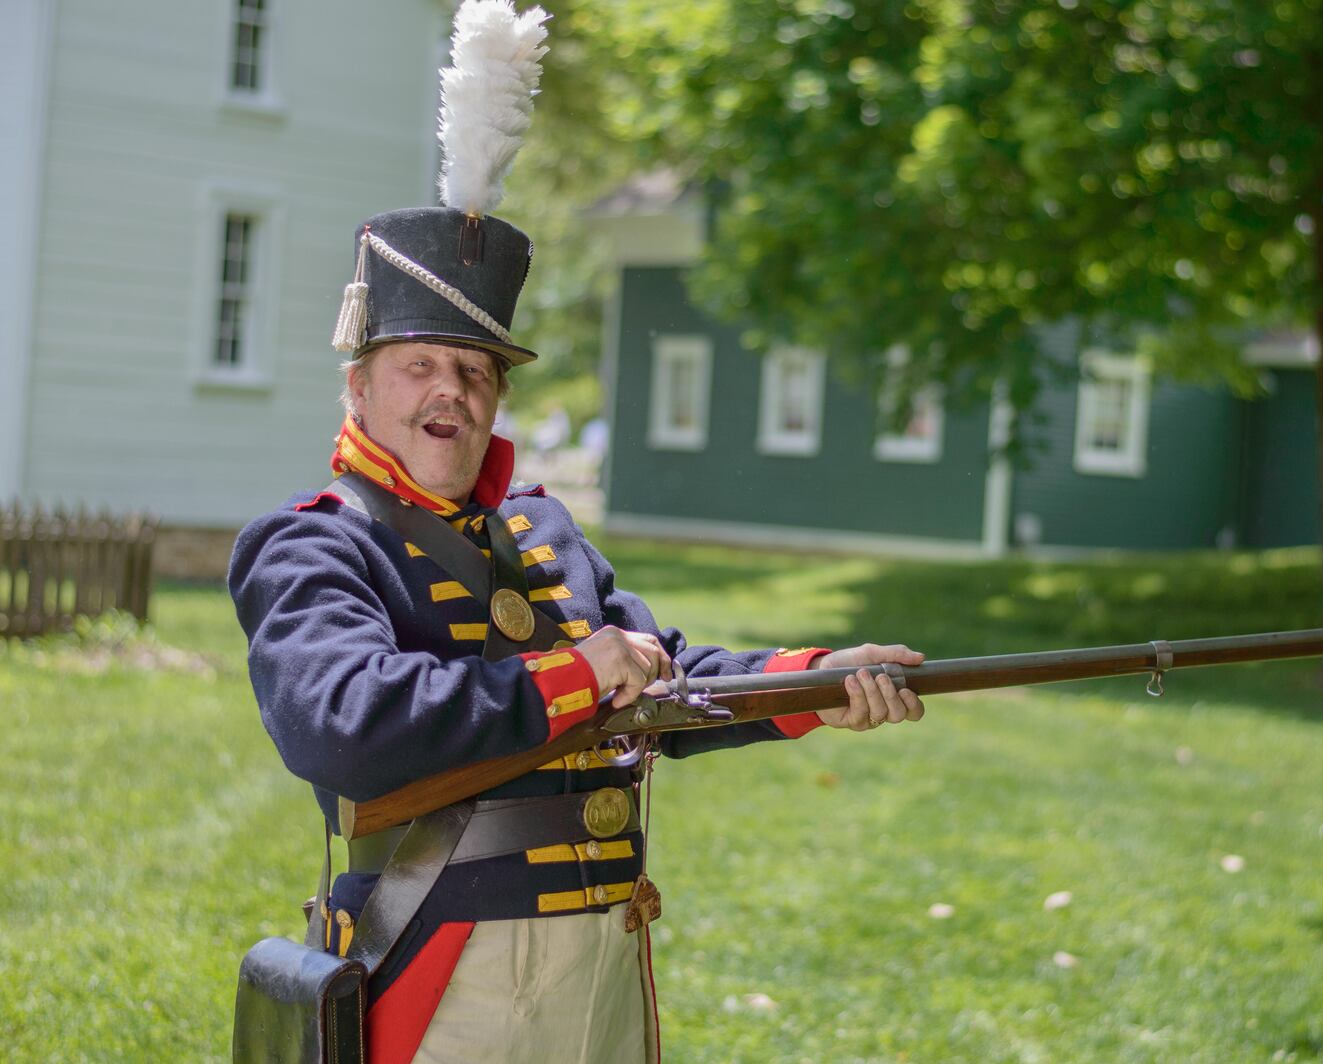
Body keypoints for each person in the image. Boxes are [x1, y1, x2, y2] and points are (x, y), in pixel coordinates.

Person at [228, 12, 923, 1060]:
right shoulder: (316, 544)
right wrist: (568, 678)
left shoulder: (538, 527)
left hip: (601, 946)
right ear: (359, 383)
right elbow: (341, 723)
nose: (448, 391)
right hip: (445, 952)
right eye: (419, 363)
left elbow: (661, 673)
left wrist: (821, 679)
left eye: (474, 371)